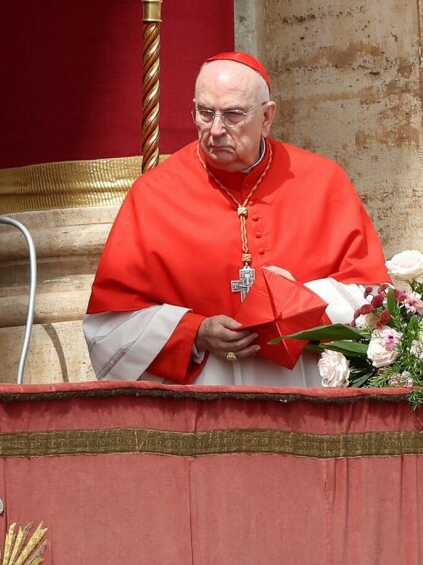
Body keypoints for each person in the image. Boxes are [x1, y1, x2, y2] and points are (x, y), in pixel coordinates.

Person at [84, 52, 390, 386]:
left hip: (306, 389)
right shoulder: (153, 194)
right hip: (205, 399)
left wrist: (298, 303)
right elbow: (108, 328)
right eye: (205, 113)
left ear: (267, 117)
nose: (215, 130)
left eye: (232, 115)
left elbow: (373, 296)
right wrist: (194, 332)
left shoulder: (323, 181)